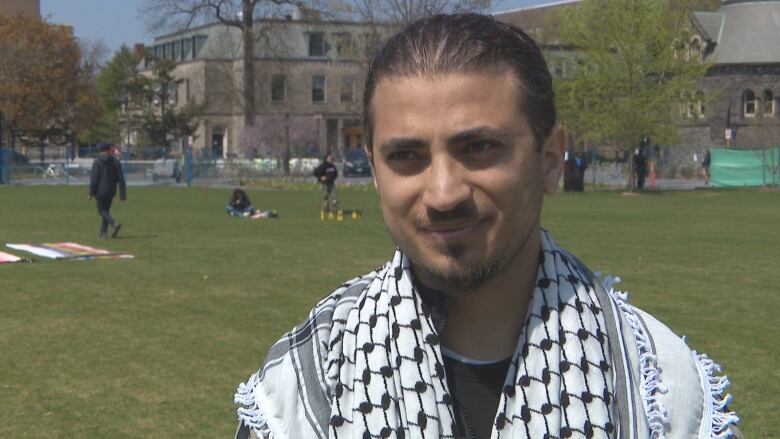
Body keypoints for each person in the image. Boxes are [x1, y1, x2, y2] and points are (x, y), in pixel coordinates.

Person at [234, 14, 740, 439]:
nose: (443, 193)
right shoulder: (305, 389)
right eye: (406, 156)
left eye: (478, 148)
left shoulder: (661, 391)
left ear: (549, 158)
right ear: (374, 168)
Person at [89, 143, 126, 238]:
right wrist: (122, 193)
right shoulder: (115, 162)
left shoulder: (97, 162)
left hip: (100, 191)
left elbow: (94, 179)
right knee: (106, 211)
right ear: (109, 150)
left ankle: (114, 223)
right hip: (111, 190)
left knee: (101, 211)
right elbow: (121, 179)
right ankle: (103, 233)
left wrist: (91, 193)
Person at [313, 152, 339, 219]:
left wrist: (333, 177)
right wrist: (320, 177)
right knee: (325, 197)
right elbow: (315, 172)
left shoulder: (333, 166)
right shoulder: (323, 166)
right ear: (326, 158)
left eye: (331, 158)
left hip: (331, 183)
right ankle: (326, 210)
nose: (331, 159)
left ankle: (334, 210)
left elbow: (335, 173)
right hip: (324, 184)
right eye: (329, 158)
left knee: (334, 197)